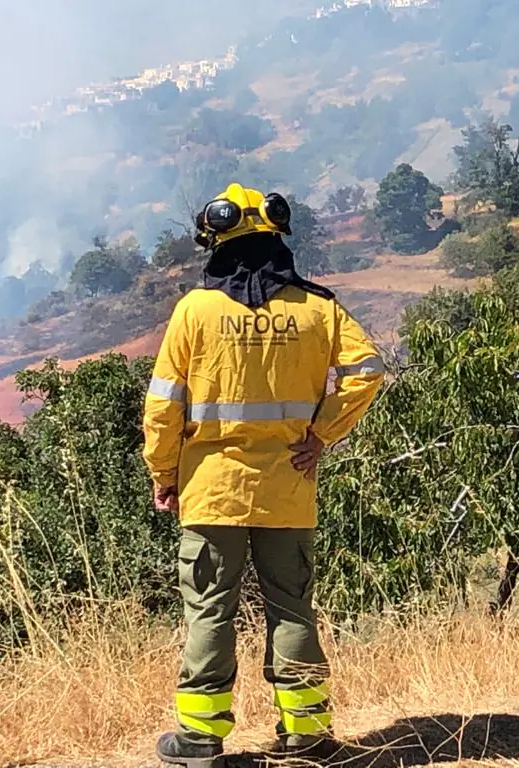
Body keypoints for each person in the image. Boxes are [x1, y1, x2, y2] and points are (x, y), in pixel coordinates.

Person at [143, 183, 385, 766]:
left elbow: (162, 405)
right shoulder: (316, 308)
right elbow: (368, 368)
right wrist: (321, 434)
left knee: (209, 607)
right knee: (292, 607)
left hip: (211, 487)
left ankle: (200, 738)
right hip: (289, 487)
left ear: (216, 241)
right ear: (278, 237)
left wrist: (164, 473)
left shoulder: (194, 311)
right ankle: (306, 734)